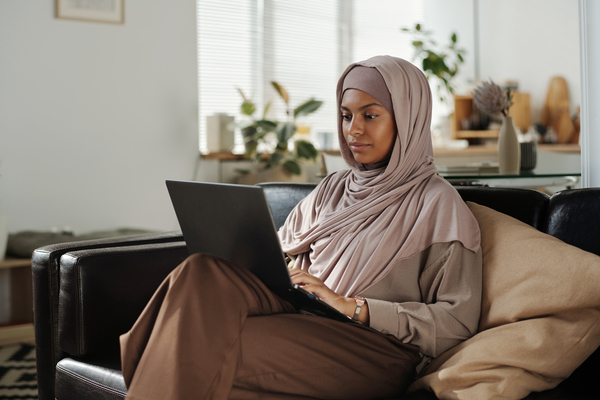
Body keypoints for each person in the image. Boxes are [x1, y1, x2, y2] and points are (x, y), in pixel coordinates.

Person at [119, 55, 482, 400]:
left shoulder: (438, 204)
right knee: (201, 270)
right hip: (302, 315)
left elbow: (456, 323)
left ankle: (141, 353)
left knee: (189, 344)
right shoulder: (333, 187)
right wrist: (278, 267)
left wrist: (353, 306)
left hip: (372, 345)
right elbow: (282, 248)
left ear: (408, 118)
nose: (353, 130)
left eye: (370, 116)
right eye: (345, 115)